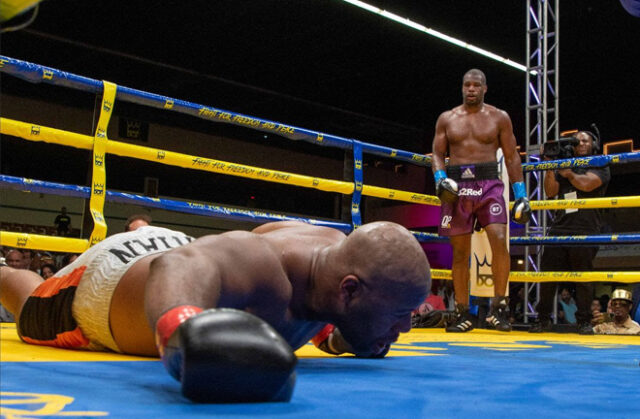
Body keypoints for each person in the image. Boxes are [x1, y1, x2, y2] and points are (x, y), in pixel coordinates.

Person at [0, 221, 430, 403]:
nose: (405, 327)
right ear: (349, 291)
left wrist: (350, 335)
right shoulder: (260, 262)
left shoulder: (333, 260)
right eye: (399, 314)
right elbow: (180, 265)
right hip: (104, 285)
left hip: (190, 248)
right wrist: (185, 332)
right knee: (26, 299)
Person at [431, 68, 531, 333]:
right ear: (462, 88)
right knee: (460, 252)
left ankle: (499, 308)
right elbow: (437, 153)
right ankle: (462, 312)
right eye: (467, 85)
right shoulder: (447, 118)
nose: (471, 89)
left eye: (476, 85)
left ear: (485, 88)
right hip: (457, 186)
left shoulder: (499, 117)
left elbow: (511, 157)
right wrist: (440, 180)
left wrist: (521, 195)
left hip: (489, 184)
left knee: (499, 238)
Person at [529, 130, 611, 334]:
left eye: (586, 140)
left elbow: (587, 184)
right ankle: (542, 319)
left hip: (586, 228)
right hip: (559, 227)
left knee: (583, 280)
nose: (581, 143)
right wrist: (550, 165)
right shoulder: (564, 163)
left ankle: (583, 321)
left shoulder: (600, 163)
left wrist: (568, 173)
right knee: (548, 277)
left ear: (594, 144)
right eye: (577, 140)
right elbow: (550, 192)